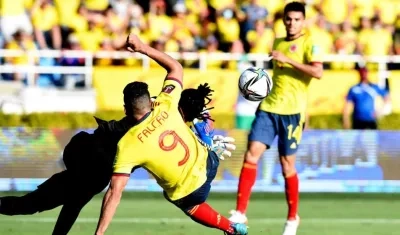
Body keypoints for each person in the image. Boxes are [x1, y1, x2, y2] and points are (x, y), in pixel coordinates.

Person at [0, 84, 235, 235]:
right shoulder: (147, 129)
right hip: (87, 162)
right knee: (33, 205)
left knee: (72, 203)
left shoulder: (159, 111)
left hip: (89, 162)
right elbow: (114, 191)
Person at [94, 34, 248, 235]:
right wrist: (142, 47)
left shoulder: (127, 146)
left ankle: (230, 228)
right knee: (188, 106)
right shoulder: (165, 103)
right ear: (150, 102)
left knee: (179, 197)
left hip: (193, 192)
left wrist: (99, 233)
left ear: (126, 109)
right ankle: (205, 139)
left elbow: (114, 193)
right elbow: (176, 67)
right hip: (210, 164)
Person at [228, 2, 323, 235]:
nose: (292, 23)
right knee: (251, 154)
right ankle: (240, 211)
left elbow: (318, 72)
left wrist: (288, 59)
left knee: (286, 165)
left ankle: (292, 218)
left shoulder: (311, 43)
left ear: (303, 20)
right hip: (269, 107)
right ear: (284, 20)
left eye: (296, 19)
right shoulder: (278, 42)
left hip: (292, 112)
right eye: (288, 19)